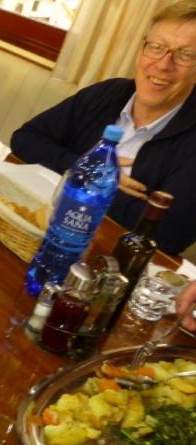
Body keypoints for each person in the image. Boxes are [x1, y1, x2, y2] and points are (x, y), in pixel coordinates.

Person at [11, 0, 196, 256]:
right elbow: (25, 139)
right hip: (38, 229)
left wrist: (92, 185)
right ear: (140, 51)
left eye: (185, 55)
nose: (164, 64)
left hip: (108, 259)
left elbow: (170, 233)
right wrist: (89, 172)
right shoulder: (108, 92)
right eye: (156, 47)